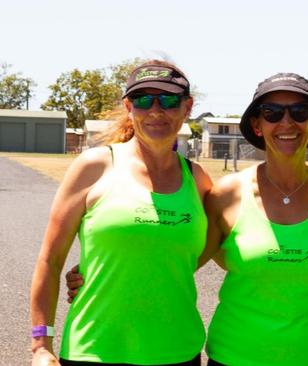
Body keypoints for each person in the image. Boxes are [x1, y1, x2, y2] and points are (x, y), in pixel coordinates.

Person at [30, 60, 212, 366]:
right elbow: (50, 259)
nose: (156, 110)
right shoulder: (95, 167)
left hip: (178, 352)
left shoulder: (199, 180)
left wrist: (125, 264)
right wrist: (40, 345)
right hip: (94, 350)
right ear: (128, 106)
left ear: (187, 107)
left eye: (168, 100)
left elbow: (222, 242)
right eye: (143, 100)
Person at [202, 72, 308, 365]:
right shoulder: (226, 194)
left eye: (299, 111)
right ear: (257, 125)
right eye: (272, 113)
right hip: (236, 356)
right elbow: (179, 262)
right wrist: (91, 277)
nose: (286, 123)